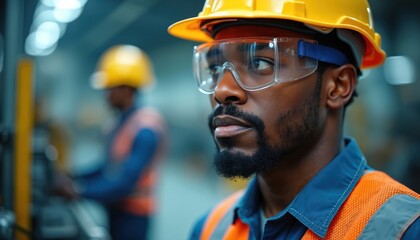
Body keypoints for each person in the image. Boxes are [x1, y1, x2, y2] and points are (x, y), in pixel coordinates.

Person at [168, 0, 420, 239]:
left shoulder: (403, 229)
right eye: (214, 68)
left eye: (260, 62)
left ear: (338, 85)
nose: (222, 91)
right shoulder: (211, 228)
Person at [54, 45, 166, 240]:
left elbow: (125, 182)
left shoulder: (145, 129)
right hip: (116, 209)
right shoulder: (120, 123)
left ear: (126, 88)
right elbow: (108, 167)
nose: (105, 94)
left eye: (109, 88)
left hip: (134, 217)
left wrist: (78, 191)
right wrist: (73, 177)